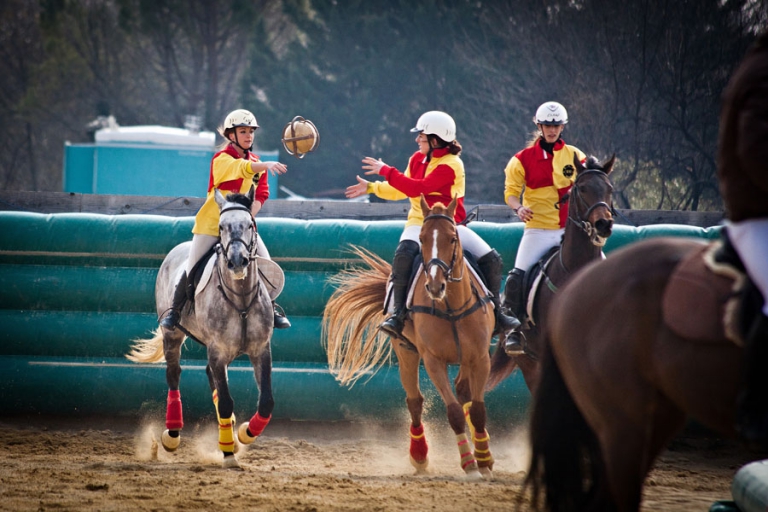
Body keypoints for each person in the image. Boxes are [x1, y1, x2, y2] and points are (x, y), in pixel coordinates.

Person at [345, 110, 519, 338]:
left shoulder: (452, 164)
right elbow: (403, 188)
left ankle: (498, 314)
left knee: (492, 259)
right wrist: (372, 187)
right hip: (420, 223)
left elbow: (419, 188)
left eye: (422, 136)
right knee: (404, 253)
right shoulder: (416, 159)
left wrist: (386, 170)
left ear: (435, 140)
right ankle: (397, 314)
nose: (417, 139)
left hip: (451, 226)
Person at [160, 109, 291, 331]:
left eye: (251, 131)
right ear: (231, 135)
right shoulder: (221, 159)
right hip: (212, 226)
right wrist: (264, 165)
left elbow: (261, 194)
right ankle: (174, 311)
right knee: (191, 267)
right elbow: (241, 168)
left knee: (267, 266)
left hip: (242, 230)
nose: (249, 136)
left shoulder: (259, 163)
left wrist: (248, 218)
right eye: (243, 131)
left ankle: (272, 308)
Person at [500, 101, 586, 356]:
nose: (552, 130)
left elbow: (587, 183)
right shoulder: (521, 160)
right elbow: (511, 194)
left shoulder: (575, 155)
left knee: (601, 267)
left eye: (556, 125)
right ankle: (515, 330)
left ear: (562, 127)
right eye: (547, 125)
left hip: (570, 230)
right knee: (517, 276)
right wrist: (518, 208)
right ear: (539, 126)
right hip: (537, 230)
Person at [716, 28, 768, 448]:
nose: (551, 129)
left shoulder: (575, 155)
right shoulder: (761, 74)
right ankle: (754, 410)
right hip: (756, 213)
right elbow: (756, 153)